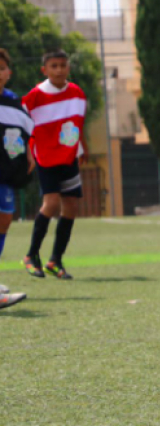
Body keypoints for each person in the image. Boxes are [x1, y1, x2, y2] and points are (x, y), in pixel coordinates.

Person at [21, 49, 87, 281]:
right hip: (46, 157)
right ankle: (31, 256)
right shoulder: (34, 97)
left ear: (68, 67)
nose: (59, 70)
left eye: (63, 65)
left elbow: (78, 123)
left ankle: (55, 260)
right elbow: (22, 126)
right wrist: (27, 153)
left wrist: (82, 147)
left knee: (71, 207)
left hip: (69, 157)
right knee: (51, 203)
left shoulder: (77, 93)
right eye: (54, 66)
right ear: (45, 70)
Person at [0, 49, 34, 309]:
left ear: (8, 73)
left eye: (1, 68)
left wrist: (30, 153)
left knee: (4, 219)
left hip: (6, 172)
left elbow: (26, 132)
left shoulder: (13, 102)